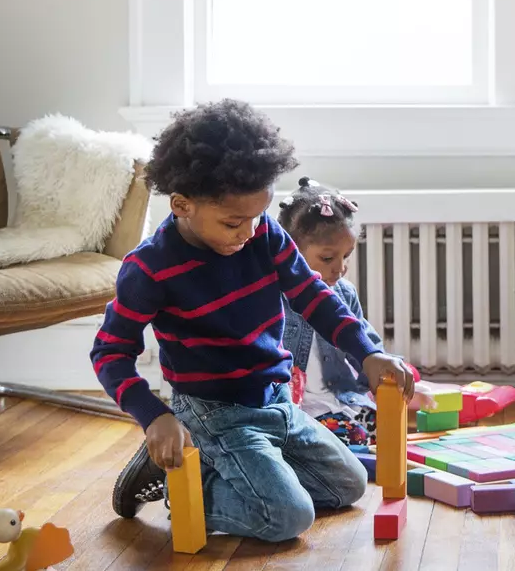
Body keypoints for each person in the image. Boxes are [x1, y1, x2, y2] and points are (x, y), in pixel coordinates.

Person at [91, 99, 414, 543]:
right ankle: (180, 482)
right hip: (215, 412)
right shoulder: (149, 268)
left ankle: (217, 466)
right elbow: (111, 352)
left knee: (350, 484)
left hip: (277, 400)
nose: (246, 233)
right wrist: (154, 417)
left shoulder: (264, 233)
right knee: (288, 518)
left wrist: (368, 352)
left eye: (256, 216)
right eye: (232, 222)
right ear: (182, 205)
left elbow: (315, 297)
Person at [277, 177, 421, 447]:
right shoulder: (273, 298)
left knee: (387, 430)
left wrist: (391, 381)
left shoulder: (344, 292)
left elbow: (365, 346)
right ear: (290, 252)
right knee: (340, 439)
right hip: (296, 407)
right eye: (328, 258)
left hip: (340, 399)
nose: (340, 268)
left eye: (347, 255)